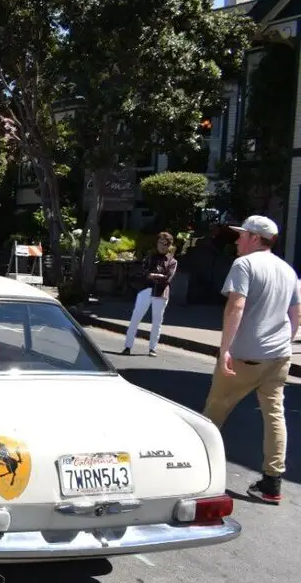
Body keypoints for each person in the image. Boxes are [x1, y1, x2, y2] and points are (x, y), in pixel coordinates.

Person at [202, 215, 300, 504]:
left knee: (214, 411)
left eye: (242, 235)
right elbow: (295, 313)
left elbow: (237, 304)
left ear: (255, 238)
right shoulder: (288, 270)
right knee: (274, 415)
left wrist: (225, 350)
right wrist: (286, 340)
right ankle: (272, 482)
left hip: (246, 354)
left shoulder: (244, 265)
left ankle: (199, 469)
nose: (237, 240)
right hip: (278, 355)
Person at [122, 231, 178, 356]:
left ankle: (153, 348)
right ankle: (127, 346)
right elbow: (143, 273)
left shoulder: (172, 261)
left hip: (161, 292)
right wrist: (154, 275)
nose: (162, 246)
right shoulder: (150, 257)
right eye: (160, 243)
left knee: (157, 321)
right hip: (146, 290)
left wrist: (153, 275)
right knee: (136, 318)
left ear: (169, 245)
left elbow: (168, 278)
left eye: (165, 244)